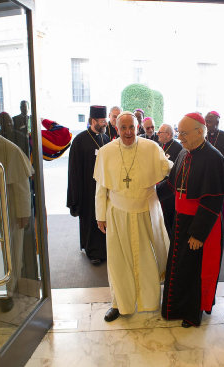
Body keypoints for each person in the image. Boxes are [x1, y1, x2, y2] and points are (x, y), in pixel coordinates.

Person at [93, 111, 172, 322]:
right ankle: (119, 304)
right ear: (116, 129)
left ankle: (150, 301)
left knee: (148, 258)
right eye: (123, 128)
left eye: (131, 127)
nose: (128, 132)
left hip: (146, 211)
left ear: (137, 127)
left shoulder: (151, 148)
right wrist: (101, 215)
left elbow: (169, 171)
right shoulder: (106, 152)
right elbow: (101, 188)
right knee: (119, 262)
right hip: (118, 213)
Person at [158, 113, 224, 328]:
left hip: (201, 226)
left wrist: (198, 234)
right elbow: (172, 185)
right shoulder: (184, 152)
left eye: (184, 133)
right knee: (179, 266)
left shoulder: (214, 158)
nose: (180, 137)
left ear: (200, 132)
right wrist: (150, 193)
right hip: (181, 221)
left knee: (195, 272)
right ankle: (176, 308)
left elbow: (213, 200)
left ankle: (192, 314)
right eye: (179, 132)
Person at [0, 114, 34, 312]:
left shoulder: (9, 148)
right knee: (3, 248)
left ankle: (9, 291)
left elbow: (23, 186)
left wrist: (24, 213)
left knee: (12, 250)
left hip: (13, 208)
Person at [67, 105, 110, 264]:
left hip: (103, 188)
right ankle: (92, 252)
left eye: (105, 120)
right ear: (93, 120)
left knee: (103, 219)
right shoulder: (80, 140)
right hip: (87, 189)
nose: (105, 124)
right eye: (102, 121)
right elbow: (74, 170)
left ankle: (104, 250)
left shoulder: (105, 139)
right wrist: (75, 194)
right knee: (90, 220)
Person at [204, 111, 224, 239]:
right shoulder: (202, 137)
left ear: (217, 121)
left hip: (221, 179)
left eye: (209, 121)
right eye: (205, 121)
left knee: (222, 208)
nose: (206, 124)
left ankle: (221, 232)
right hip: (205, 178)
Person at [156, 123, 183, 237]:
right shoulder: (161, 145)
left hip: (170, 187)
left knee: (169, 214)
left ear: (168, 134)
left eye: (160, 132)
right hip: (160, 184)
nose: (157, 134)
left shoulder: (177, 147)